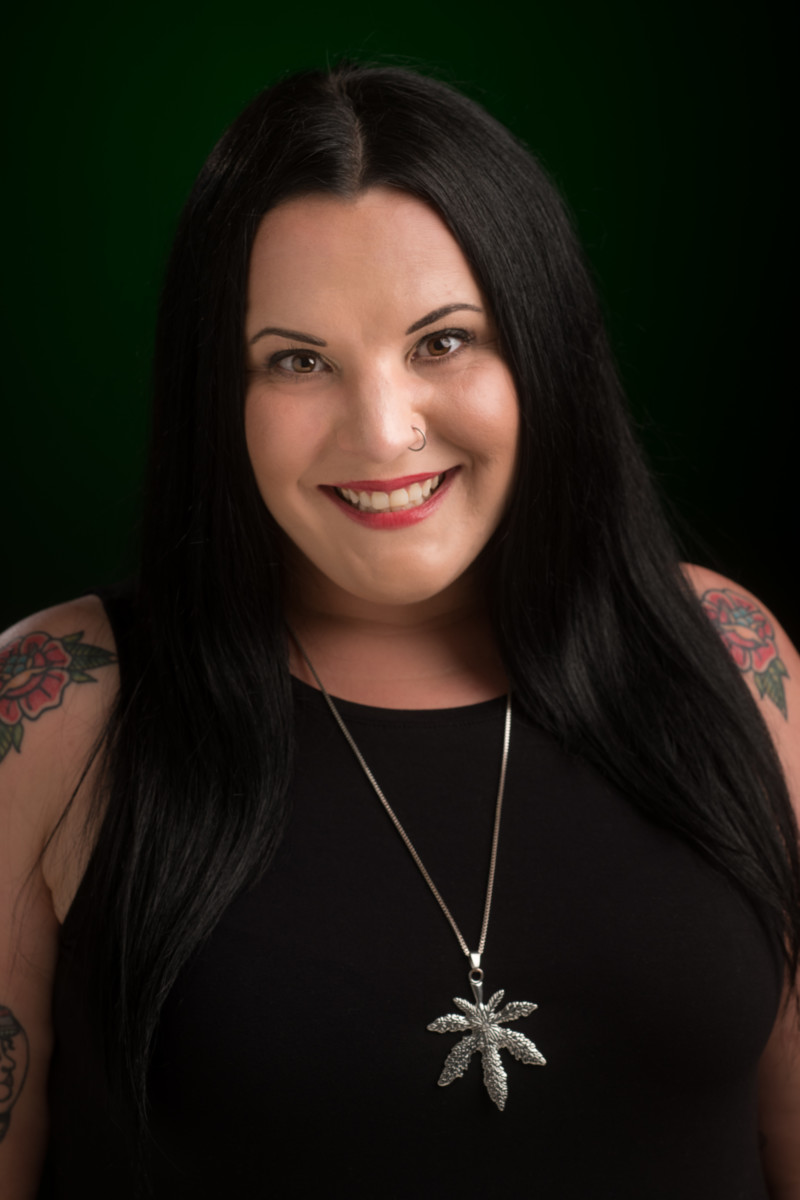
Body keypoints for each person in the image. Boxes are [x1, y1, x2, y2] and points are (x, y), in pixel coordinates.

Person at [1, 61, 798, 1199]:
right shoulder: (59, 711)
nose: (381, 433)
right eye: (297, 360)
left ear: (543, 347)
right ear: (214, 396)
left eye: (441, 342)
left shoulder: (731, 655)